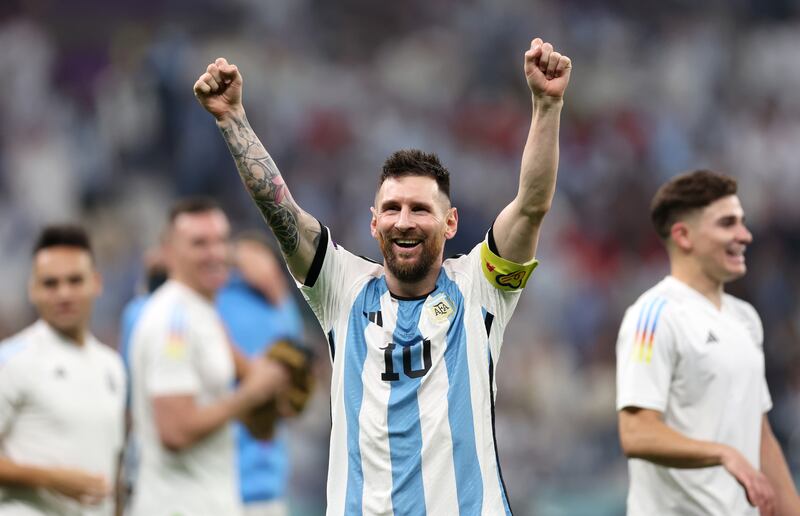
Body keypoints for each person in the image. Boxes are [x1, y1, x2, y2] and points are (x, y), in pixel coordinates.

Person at [195, 37, 571, 513]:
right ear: (373, 222)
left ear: (450, 222)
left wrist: (547, 105)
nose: (404, 221)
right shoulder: (341, 288)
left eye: (420, 209)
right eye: (391, 209)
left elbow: (532, 206)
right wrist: (232, 119)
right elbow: (279, 209)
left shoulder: (481, 287)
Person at [615, 170, 800, 516]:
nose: (744, 235)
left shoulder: (745, 318)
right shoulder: (653, 316)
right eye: (727, 224)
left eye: (742, 222)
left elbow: (759, 435)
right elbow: (636, 432)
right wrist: (722, 452)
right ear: (684, 236)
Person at [127, 198, 289, 516]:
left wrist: (275, 382)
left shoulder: (202, 311)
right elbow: (175, 430)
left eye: (220, 241)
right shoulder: (172, 321)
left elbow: (253, 375)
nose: (215, 253)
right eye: (199, 243)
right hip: (177, 506)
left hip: (208, 500)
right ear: (169, 252)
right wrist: (252, 395)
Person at [0, 225, 126, 515]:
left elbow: (110, 464)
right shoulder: (12, 359)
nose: (64, 294)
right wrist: (49, 478)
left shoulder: (112, 366)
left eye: (74, 280)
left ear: (96, 282)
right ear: (32, 290)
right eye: (51, 284)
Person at [217, 233, 304, 516]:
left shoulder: (281, 307)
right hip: (209, 481)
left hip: (265, 483)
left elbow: (292, 385)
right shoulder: (209, 297)